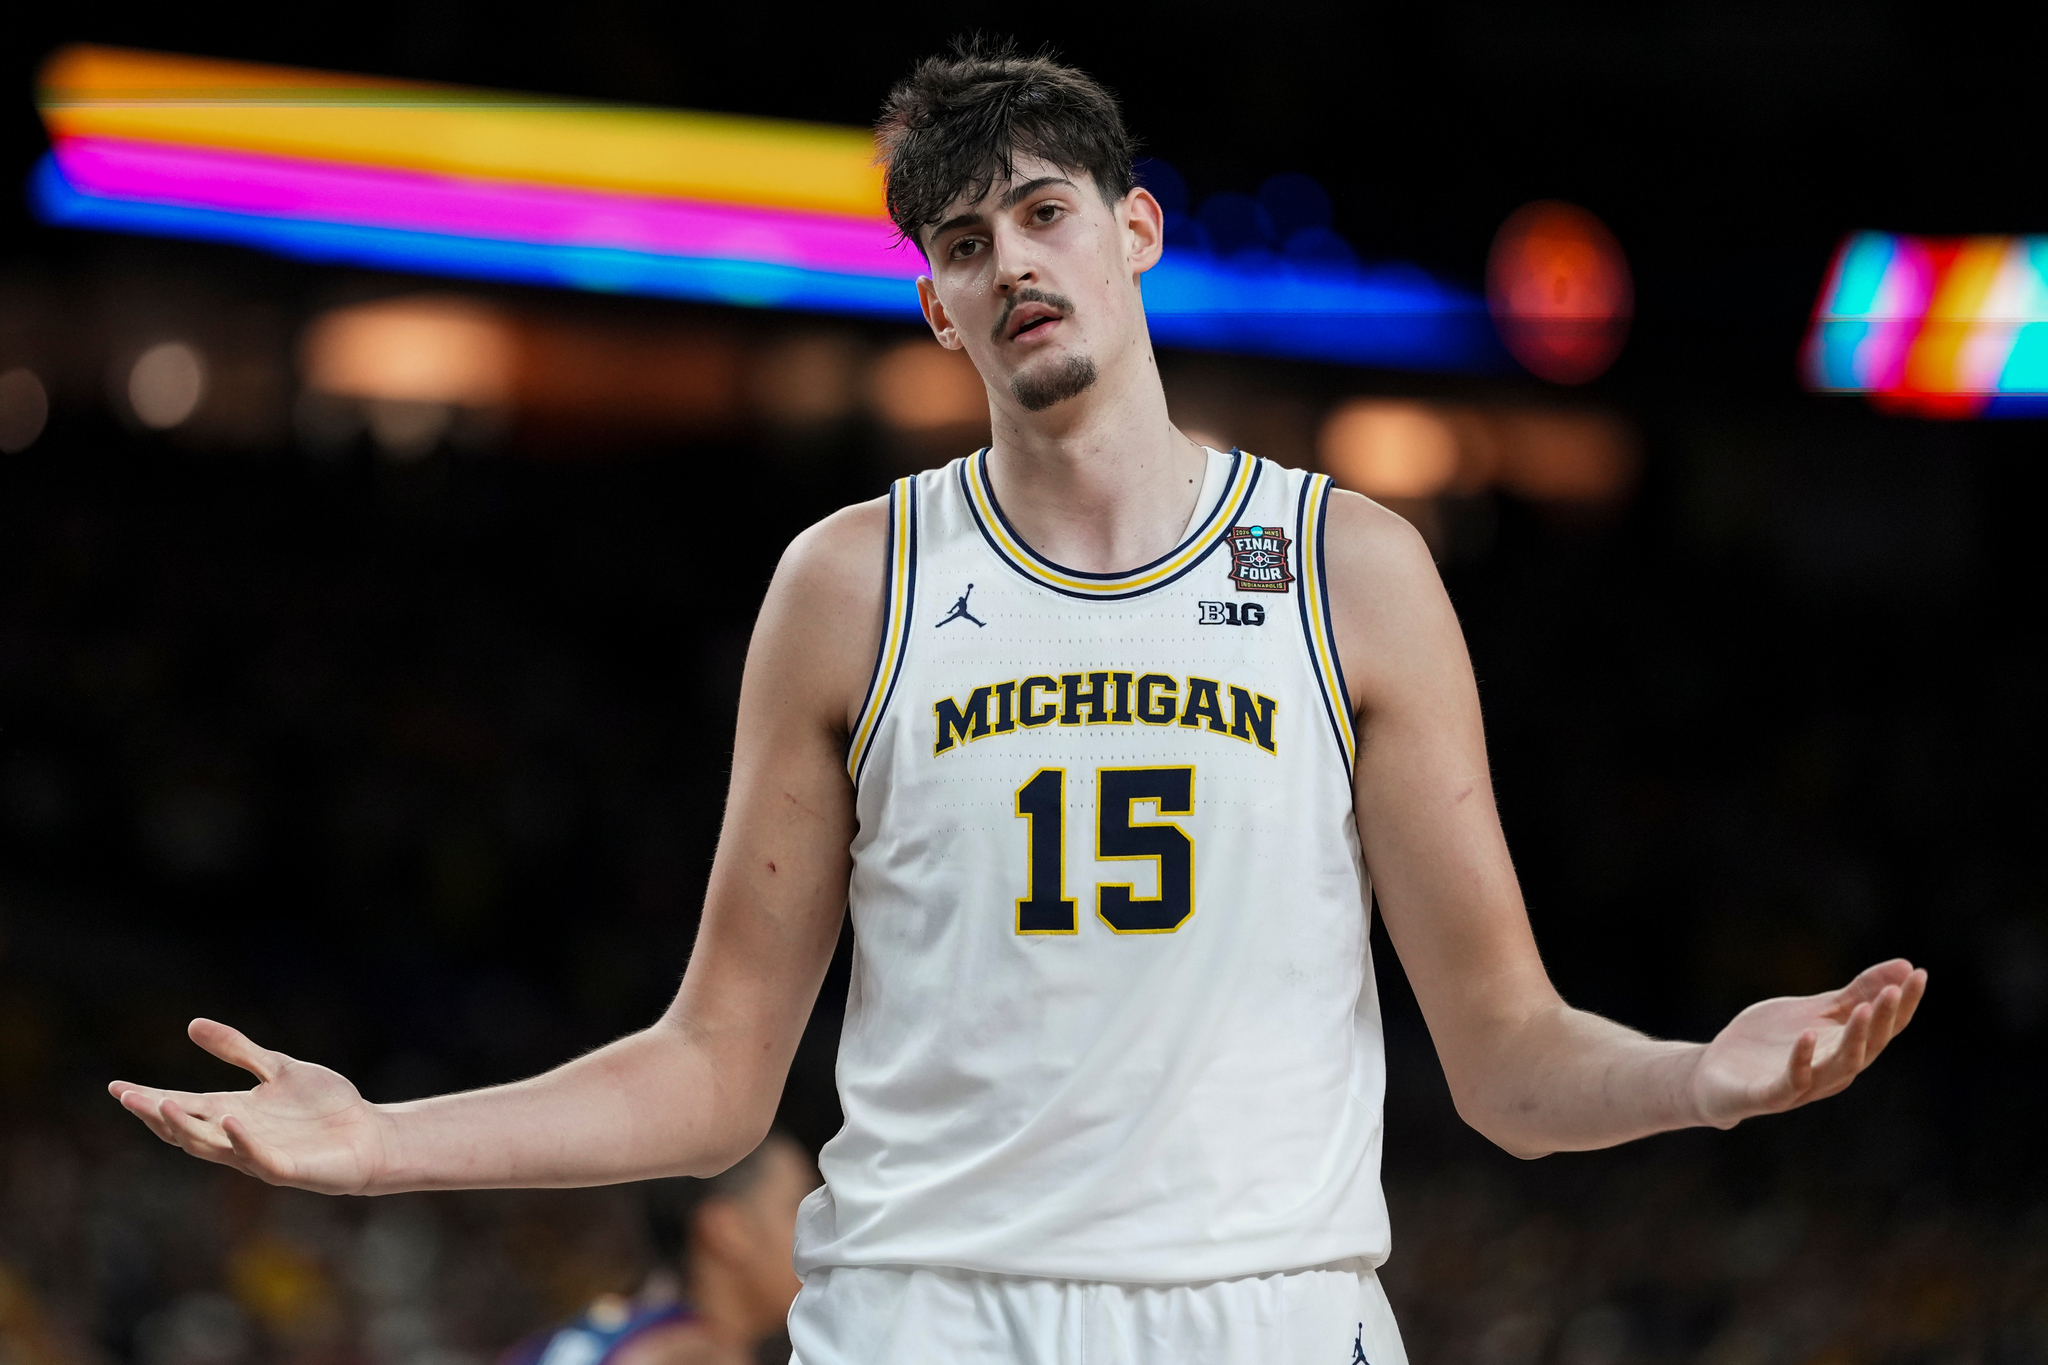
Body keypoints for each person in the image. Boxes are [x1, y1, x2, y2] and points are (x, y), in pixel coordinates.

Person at [107, 39, 1926, 1365]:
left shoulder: (1345, 564)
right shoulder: (846, 586)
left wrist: (1702, 1077)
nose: (1014, 264)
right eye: (965, 245)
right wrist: (378, 1146)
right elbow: (711, 1075)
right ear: (934, 311)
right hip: (923, 1317)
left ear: (1133, 230)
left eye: (1044, 213)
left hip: (1267, 1319)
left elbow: (1509, 1069)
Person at [500, 1134, 817, 1365]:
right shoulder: (702, 1357)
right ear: (728, 1229)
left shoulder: (597, 1329)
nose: (824, 1233)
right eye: (799, 1208)